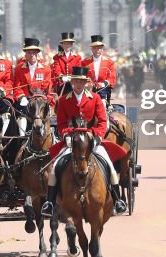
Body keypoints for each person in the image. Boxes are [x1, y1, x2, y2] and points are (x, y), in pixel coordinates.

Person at [40, 66, 128, 217]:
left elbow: (102, 121)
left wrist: (97, 135)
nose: (79, 85)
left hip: (91, 140)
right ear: (72, 82)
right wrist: (66, 135)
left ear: (86, 83)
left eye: (82, 82)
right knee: (55, 168)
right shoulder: (63, 100)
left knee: (108, 164)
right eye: (76, 82)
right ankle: (49, 202)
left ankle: (117, 199)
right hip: (72, 141)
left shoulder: (95, 99)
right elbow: (61, 124)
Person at [82, 35, 117, 105]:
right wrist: (88, 83)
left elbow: (112, 77)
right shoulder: (84, 62)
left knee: (102, 105)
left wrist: (105, 83)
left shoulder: (109, 62)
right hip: (88, 89)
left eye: (99, 48)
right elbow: (82, 76)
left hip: (103, 89)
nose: (97, 50)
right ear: (91, 49)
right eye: (94, 48)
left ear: (102, 49)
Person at [51, 32, 81, 97]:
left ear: (71, 44)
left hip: (74, 83)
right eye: (65, 43)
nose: (67, 45)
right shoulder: (57, 57)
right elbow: (56, 70)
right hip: (62, 83)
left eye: (69, 43)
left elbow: (78, 70)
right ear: (62, 44)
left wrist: (71, 77)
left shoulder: (77, 57)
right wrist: (61, 77)